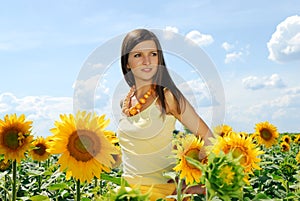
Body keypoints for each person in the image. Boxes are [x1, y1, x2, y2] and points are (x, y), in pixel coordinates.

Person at [116, 28, 213, 201]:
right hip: (128, 193)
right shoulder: (124, 102)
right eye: (138, 55)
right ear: (127, 63)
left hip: (162, 194)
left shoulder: (168, 97)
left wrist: (194, 182)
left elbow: (209, 139)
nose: (147, 61)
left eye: (153, 54)